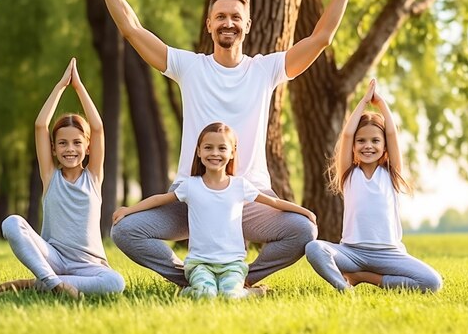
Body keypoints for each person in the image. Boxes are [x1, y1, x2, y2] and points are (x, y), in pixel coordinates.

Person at [88, 0, 360, 288]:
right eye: (221, 17)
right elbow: (131, 28)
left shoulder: (266, 70)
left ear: (247, 25)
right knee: (126, 232)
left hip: (250, 201)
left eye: (235, 17)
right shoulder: (190, 67)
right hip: (191, 199)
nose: (228, 23)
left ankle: (242, 280)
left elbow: (322, 37)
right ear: (209, 24)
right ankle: (190, 277)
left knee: (301, 230)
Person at [112, 122, 317, 299]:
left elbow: (273, 202)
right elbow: (159, 199)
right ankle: (193, 289)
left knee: (230, 296)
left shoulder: (240, 186)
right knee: (205, 295)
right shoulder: (190, 186)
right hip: (200, 264)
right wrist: (128, 210)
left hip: (232, 265)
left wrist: (304, 211)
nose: (215, 153)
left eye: (222, 148)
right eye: (208, 148)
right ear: (199, 151)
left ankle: (251, 292)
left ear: (232, 152)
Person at [0, 58, 125, 298]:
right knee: (11, 223)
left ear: (88, 148)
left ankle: (36, 283)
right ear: (53, 149)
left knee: (116, 282)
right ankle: (54, 283)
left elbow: (98, 129)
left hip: (89, 267)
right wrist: (61, 86)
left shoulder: (94, 178)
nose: (70, 149)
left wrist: (78, 87)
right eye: (62, 143)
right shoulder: (50, 177)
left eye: (77, 143)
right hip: (53, 257)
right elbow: (40, 125)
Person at [305, 79, 443, 293]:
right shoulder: (349, 175)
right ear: (353, 147)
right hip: (351, 253)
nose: (368, 146)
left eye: (375, 141)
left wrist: (381, 104)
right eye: (361, 141)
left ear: (384, 146)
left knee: (432, 283)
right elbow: (347, 134)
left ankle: (366, 277)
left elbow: (392, 133)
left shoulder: (392, 174)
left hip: (389, 254)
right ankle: (344, 288)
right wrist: (363, 101)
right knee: (314, 248)